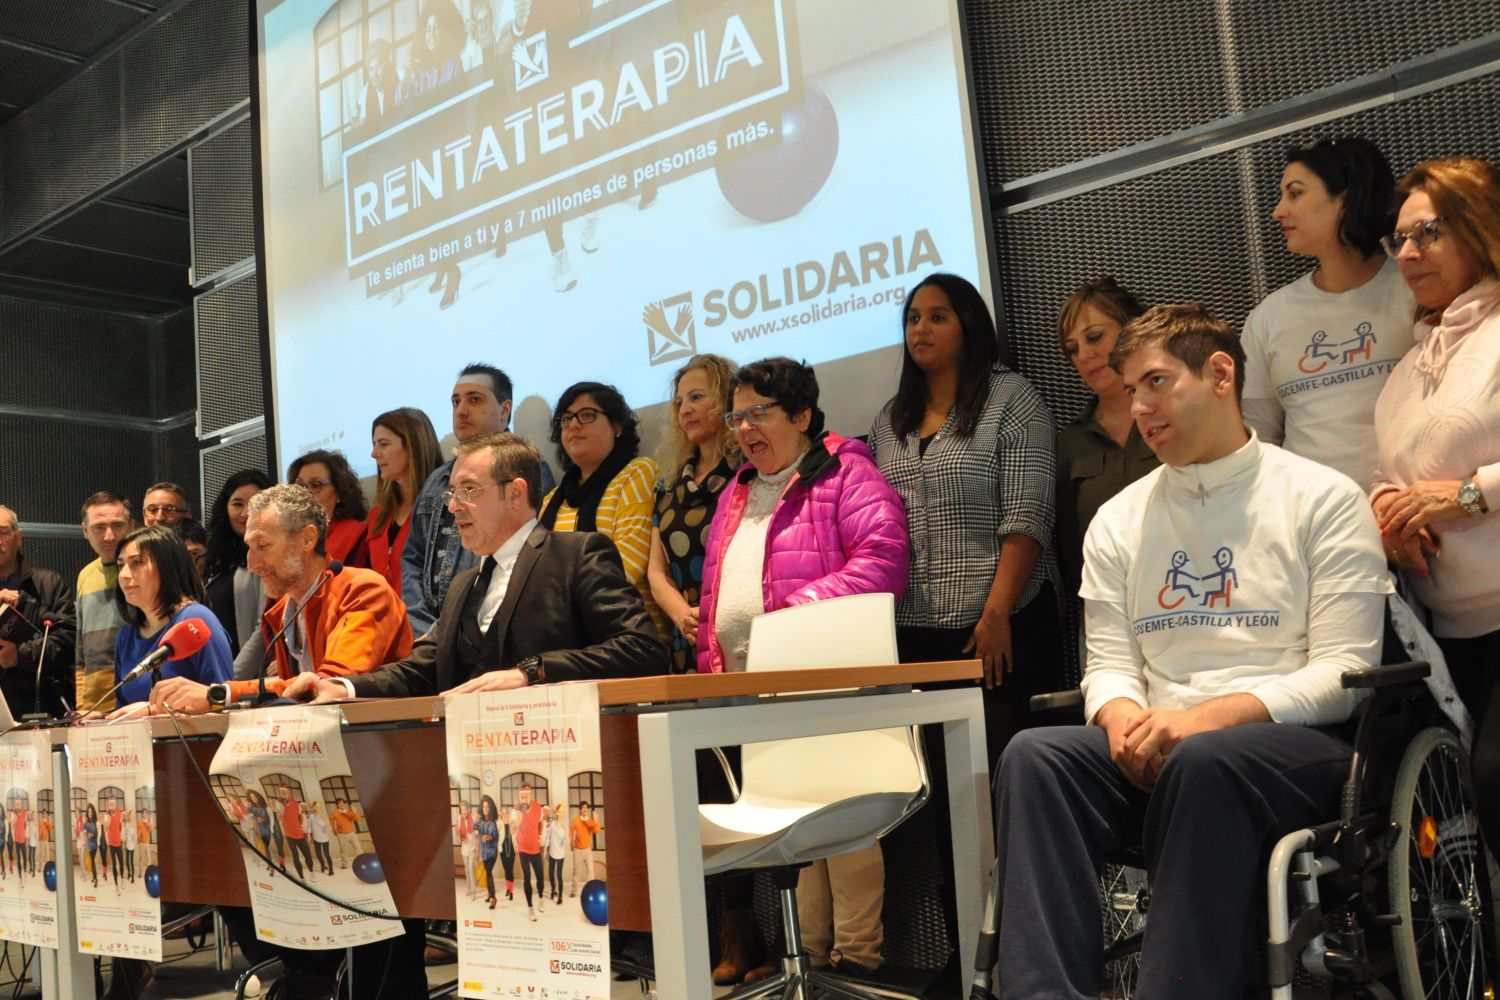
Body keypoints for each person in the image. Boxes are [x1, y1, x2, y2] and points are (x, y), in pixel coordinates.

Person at [994, 303, 1392, 999]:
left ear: (1219, 373)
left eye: (1155, 382)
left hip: (1294, 749)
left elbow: (1343, 675)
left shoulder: (1322, 497)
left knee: (1205, 762)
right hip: (1162, 746)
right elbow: (1111, 665)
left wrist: (1205, 720)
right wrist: (1120, 723)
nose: (1138, 405)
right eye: (1129, 387)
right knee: (1036, 756)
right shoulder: (1119, 520)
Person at [699, 357, 909, 981]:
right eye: (736, 415)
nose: (743, 428)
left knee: (842, 826)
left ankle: (858, 964)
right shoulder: (737, 489)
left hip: (827, 680)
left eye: (758, 413)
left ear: (802, 416)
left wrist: (791, 614)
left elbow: (884, 559)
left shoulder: (846, 472)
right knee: (795, 824)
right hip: (749, 692)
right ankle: (810, 962)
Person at [291, 431, 665, 702]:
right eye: (452, 493)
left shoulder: (576, 555)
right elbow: (422, 667)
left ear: (516, 493)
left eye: (468, 490)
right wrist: (343, 687)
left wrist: (530, 673)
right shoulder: (464, 585)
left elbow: (641, 648)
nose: (453, 506)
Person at [871, 272, 1061, 765]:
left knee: (997, 773)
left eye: (937, 317)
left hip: (996, 627)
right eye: (913, 319)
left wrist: (996, 614)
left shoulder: (1012, 399)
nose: (920, 329)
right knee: (931, 786)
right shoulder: (889, 421)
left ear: (969, 326)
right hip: (913, 633)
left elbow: (1028, 516)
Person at [1372, 156, 1500, 853]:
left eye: (1428, 234)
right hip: (1448, 631)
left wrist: (1471, 494)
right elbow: (1386, 473)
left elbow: (1453, 484)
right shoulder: (1409, 365)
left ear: (1479, 230)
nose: (1409, 254)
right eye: (1401, 241)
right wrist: (1384, 517)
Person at [1242, 137, 1414, 490]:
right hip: (1319, 527)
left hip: (1417, 511)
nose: (1278, 211)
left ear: (1346, 199)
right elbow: (1258, 444)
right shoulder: (1269, 318)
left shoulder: (1417, 289)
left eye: (1295, 193)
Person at [150, 485, 413, 712]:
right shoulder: (283, 611)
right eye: (249, 547)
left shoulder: (363, 590)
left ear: (308, 539)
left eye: (262, 546)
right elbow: (293, 698)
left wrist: (218, 695)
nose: (252, 564)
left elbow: (327, 686)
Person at [403, 364, 551, 637]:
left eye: (475, 399)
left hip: (487, 629)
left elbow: (521, 556)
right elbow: (412, 557)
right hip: (430, 636)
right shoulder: (436, 480)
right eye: (456, 401)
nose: (461, 410)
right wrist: (423, 630)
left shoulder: (527, 468)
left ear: (505, 410)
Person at [1053, 278, 1159, 596]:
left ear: (1131, 330)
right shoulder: (1071, 442)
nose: (1085, 354)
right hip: (1109, 610)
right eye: (1073, 349)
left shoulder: (1173, 415)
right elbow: (1072, 551)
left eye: (1095, 337)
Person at [543, 382, 666, 640]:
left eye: (587, 415)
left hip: (630, 633)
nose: (573, 425)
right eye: (566, 419)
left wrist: (557, 605)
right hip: (568, 636)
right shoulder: (552, 499)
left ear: (617, 426)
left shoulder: (637, 473)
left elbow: (629, 565)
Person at [647, 355, 741, 674]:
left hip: (738, 634)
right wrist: (681, 615)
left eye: (697, 397)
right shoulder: (668, 486)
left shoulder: (749, 474)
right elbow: (656, 572)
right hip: (684, 640)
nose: (684, 409)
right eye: (679, 402)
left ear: (728, 400)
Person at [104, 525, 234, 717]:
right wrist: (100, 718)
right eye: (121, 565)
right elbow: (123, 707)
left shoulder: (195, 621)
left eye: (137, 562)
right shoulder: (126, 635)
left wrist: (152, 711)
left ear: (168, 567)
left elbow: (222, 703)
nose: (123, 575)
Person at [0, 504, 77, 718]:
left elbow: (67, 641)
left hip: (42, 707)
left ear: (19, 537)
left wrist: (19, 655)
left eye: (3, 532)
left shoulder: (49, 583)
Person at [202, 469, 273, 668]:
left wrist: (230, 680)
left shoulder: (267, 557)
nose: (245, 513)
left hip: (244, 679)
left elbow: (264, 627)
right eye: (237, 504)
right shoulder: (217, 558)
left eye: (254, 504)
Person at [367, 408, 442, 593]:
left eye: (383, 444)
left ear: (413, 446)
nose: (374, 453)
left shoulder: (445, 507)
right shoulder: (377, 516)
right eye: (374, 444)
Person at [76, 491, 133, 714]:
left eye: (117, 525)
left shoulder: (147, 572)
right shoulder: (85, 576)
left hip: (134, 703)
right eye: (99, 527)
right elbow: (81, 652)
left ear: (131, 526)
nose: (109, 536)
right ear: (84, 531)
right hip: (93, 707)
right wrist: (82, 705)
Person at [289, 450, 369, 568]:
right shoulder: (288, 536)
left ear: (339, 491)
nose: (305, 493)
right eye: (299, 486)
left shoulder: (356, 534)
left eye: (315, 485)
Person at [513, 784, 546, 921]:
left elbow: (541, 822)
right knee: (527, 876)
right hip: (523, 849)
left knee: (540, 877)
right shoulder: (516, 809)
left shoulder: (539, 807)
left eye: (526, 796)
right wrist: (517, 822)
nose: (523, 799)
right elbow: (512, 826)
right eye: (521, 797)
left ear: (530, 795)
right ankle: (530, 908)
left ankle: (541, 898)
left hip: (535, 848)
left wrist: (540, 837)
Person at [278, 786, 314, 880]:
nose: (284, 793)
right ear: (280, 793)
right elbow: (279, 817)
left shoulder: (295, 803)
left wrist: (301, 825)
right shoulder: (279, 804)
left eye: (285, 791)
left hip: (299, 834)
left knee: (308, 855)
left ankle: (311, 872)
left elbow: (299, 815)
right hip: (289, 836)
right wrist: (281, 809)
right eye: (281, 792)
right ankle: (302, 877)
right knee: (295, 856)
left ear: (288, 792)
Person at [568, 800, 600, 896]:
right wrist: (571, 844)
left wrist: (596, 821)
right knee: (576, 871)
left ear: (588, 810)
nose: (585, 809)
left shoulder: (590, 821)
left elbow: (597, 830)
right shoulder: (576, 820)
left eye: (586, 808)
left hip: (587, 850)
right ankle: (574, 891)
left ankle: (591, 891)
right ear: (580, 810)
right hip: (577, 850)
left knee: (591, 872)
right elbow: (571, 832)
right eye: (583, 808)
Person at [476, 795, 500, 909]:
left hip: (492, 853)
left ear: (490, 809)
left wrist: (489, 837)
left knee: (489, 873)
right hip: (484, 853)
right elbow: (473, 826)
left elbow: (496, 838)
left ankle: (493, 898)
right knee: (487, 873)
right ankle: (490, 893)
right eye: (484, 807)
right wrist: (482, 837)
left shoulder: (493, 822)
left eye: (487, 807)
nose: (485, 809)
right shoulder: (480, 821)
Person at [330, 797, 362, 869]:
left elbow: (358, 819)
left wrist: (354, 811)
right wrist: (334, 831)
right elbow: (331, 822)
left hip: (351, 833)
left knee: (358, 848)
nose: (342, 804)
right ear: (337, 805)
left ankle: (361, 861)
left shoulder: (348, 812)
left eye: (343, 803)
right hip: (341, 835)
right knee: (343, 850)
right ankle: (344, 864)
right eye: (340, 803)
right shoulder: (334, 813)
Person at [546, 803, 568, 904]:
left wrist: (565, 832)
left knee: (559, 875)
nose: (562, 813)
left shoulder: (565, 826)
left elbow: (564, 843)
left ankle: (560, 897)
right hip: (551, 853)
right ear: (557, 812)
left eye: (563, 811)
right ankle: (553, 889)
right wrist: (546, 849)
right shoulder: (552, 824)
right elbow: (548, 837)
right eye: (560, 811)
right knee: (551, 874)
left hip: (560, 854)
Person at [456, 801, 479, 898]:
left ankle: (473, 891)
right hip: (464, 848)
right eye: (462, 810)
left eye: (465, 810)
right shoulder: (459, 818)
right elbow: (458, 833)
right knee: (466, 870)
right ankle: (469, 888)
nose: (464, 812)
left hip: (472, 847)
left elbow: (477, 834)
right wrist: (457, 833)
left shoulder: (473, 817)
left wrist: (477, 849)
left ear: (468, 810)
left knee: (470, 868)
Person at [307, 801, 334, 876]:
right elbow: (309, 826)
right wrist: (309, 835)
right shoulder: (311, 816)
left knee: (326, 854)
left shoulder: (324, 816)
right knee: (318, 854)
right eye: (317, 806)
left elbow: (328, 830)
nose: (319, 808)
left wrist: (325, 820)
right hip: (316, 838)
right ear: (314, 807)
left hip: (324, 838)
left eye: (319, 806)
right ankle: (323, 865)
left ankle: (331, 870)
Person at [498, 805, 517, 901]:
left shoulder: (512, 823)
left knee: (510, 870)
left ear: (508, 814)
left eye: (506, 813)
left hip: (512, 851)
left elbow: (516, 833)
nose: (505, 815)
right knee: (506, 870)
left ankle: (511, 891)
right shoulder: (499, 823)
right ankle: (507, 889)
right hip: (503, 851)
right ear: (501, 814)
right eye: (503, 813)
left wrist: (514, 826)